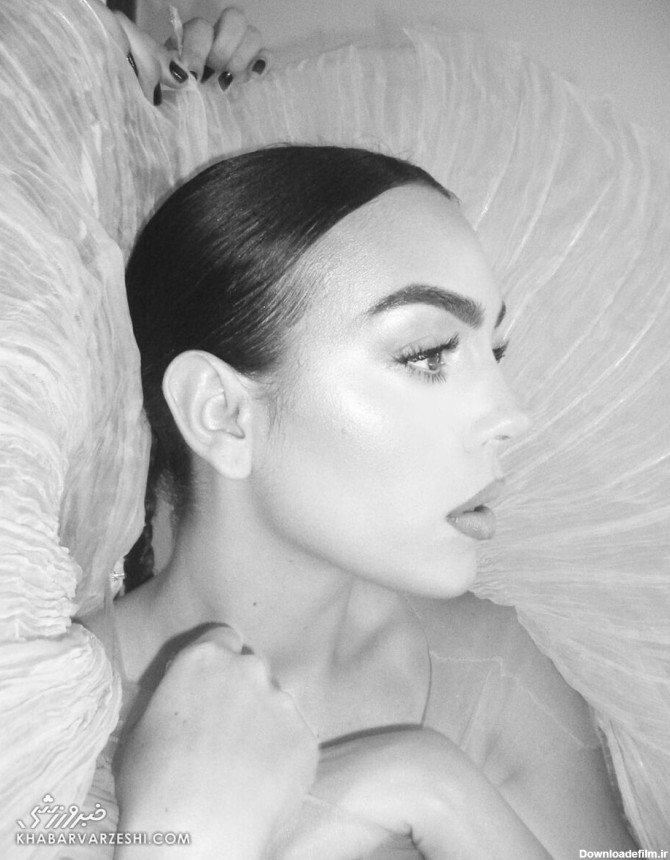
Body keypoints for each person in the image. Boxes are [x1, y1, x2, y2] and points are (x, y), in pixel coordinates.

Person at [91, 143, 637, 859]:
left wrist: (432, 784)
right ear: (221, 413)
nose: (511, 416)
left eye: (494, 352)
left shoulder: (494, 666)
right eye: (427, 354)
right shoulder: (40, 723)